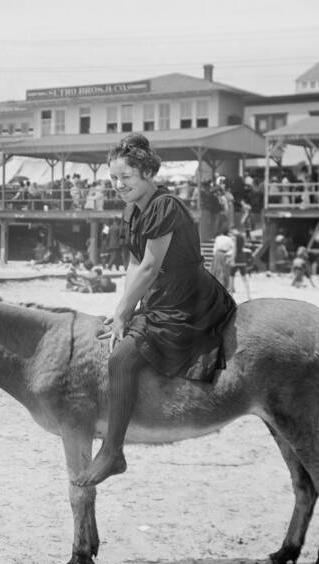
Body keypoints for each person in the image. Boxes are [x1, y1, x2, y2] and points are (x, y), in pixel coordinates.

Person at [74, 133, 236, 486]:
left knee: (120, 359)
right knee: (116, 335)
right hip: (160, 296)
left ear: (148, 173)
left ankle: (113, 451)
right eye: (113, 179)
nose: (118, 185)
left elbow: (149, 267)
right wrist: (124, 308)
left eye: (126, 178)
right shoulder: (133, 210)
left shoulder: (164, 206)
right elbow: (134, 264)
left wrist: (123, 313)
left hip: (187, 299)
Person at [210, 226, 235, 291]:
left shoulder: (218, 238)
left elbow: (215, 248)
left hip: (217, 254)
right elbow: (233, 248)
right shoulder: (229, 239)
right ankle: (225, 286)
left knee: (217, 270)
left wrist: (214, 255)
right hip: (225, 254)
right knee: (225, 270)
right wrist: (228, 254)